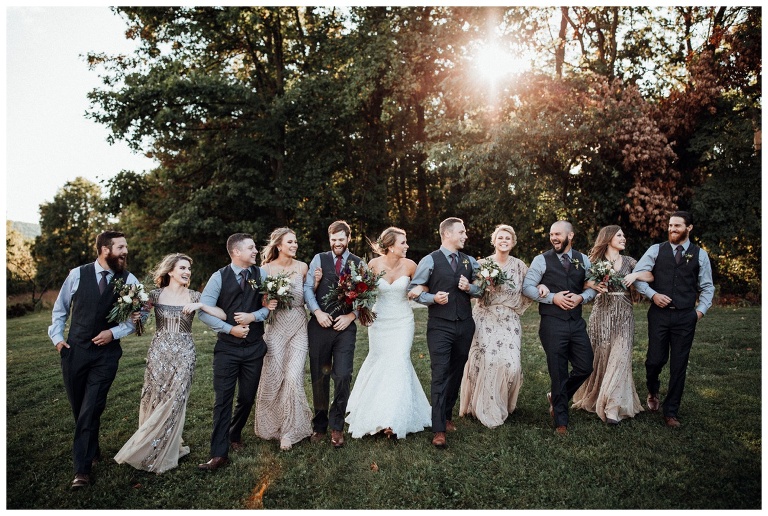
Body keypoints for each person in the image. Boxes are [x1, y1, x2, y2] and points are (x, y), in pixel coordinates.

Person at [114, 253, 227, 473]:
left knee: (176, 399)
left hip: (185, 353)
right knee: (156, 397)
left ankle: (166, 448)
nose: (187, 272)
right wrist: (136, 316)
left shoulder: (195, 296)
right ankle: (151, 446)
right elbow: (141, 322)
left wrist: (200, 306)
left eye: (188, 269)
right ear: (170, 271)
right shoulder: (154, 295)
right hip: (159, 352)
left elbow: (222, 314)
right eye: (182, 268)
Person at [48, 230, 140, 488]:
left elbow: (137, 318)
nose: (125, 252)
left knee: (91, 407)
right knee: (80, 408)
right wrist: (58, 339)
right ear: (104, 249)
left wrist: (114, 332)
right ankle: (92, 447)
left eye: (126, 247)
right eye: (121, 247)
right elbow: (60, 309)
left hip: (106, 355)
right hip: (74, 352)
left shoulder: (129, 279)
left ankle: (82, 470)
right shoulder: (77, 274)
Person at [197, 233, 278, 471]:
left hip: (254, 347)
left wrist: (254, 316)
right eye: (251, 248)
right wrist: (229, 329)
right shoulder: (218, 277)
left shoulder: (262, 275)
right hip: (227, 349)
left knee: (246, 398)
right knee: (223, 400)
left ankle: (234, 433)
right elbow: (203, 311)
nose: (256, 251)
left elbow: (269, 307)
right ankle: (218, 453)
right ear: (236, 253)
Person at [344, 227, 432, 439]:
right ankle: (376, 413)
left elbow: (426, 286)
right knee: (381, 360)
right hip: (380, 321)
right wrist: (362, 310)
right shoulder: (373, 265)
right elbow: (360, 291)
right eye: (403, 242)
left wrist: (419, 289)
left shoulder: (411, 265)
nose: (407, 246)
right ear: (391, 246)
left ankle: (394, 418)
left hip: (402, 321)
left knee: (399, 361)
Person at [632, 211, 715, 428]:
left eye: (677, 226)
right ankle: (653, 389)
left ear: (689, 228)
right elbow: (638, 275)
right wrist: (653, 295)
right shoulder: (655, 250)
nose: (672, 229)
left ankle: (671, 412)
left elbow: (707, 286)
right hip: (659, 315)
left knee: (679, 365)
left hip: (685, 316)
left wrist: (699, 311)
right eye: (670, 226)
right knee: (654, 360)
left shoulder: (700, 255)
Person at [409, 217, 481, 448]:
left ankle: (447, 414)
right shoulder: (430, 260)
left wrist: (470, 287)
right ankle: (438, 428)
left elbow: (482, 289)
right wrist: (432, 298)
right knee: (439, 373)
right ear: (447, 234)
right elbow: (413, 290)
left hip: (465, 324)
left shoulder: (470, 261)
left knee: (457, 370)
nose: (465, 236)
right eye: (461, 232)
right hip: (440, 325)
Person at [571, 226, 653, 425]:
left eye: (624, 235)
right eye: (619, 235)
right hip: (602, 313)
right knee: (602, 355)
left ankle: (613, 408)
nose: (623, 238)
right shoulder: (595, 262)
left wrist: (634, 276)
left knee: (621, 356)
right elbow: (580, 282)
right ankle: (599, 394)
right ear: (608, 239)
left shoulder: (630, 261)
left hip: (624, 313)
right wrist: (594, 285)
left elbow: (650, 275)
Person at [522, 220, 597, 435]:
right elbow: (527, 287)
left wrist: (581, 297)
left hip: (576, 322)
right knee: (558, 372)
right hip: (552, 324)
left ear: (570, 236)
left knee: (585, 366)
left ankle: (556, 396)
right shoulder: (541, 260)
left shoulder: (583, 260)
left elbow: (592, 287)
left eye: (558, 234)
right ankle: (561, 421)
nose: (554, 238)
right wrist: (553, 298)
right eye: (551, 234)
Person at [459, 224, 533, 428]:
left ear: (513, 242)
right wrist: (480, 288)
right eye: (500, 237)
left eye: (508, 238)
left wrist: (542, 290)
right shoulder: (481, 264)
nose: (504, 241)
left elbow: (528, 289)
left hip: (509, 319)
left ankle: (502, 402)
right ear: (493, 240)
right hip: (485, 316)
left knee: (512, 365)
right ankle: (483, 406)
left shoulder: (519, 266)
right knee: (488, 361)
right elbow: (473, 290)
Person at [253, 228, 313, 451]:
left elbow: (308, 296)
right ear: (279, 245)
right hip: (275, 326)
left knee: (294, 375)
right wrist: (267, 303)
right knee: (274, 375)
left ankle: (290, 430)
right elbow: (259, 301)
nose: (295, 245)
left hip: (298, 323)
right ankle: (272, 425)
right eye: (290, 242)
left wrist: (315, 283)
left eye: (296, 242)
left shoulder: (303, 267)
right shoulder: (265, 270)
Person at [303, 220, 361, 448]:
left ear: (348, 238)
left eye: (341, 239)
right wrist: (317, 312)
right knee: (319, 376)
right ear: (330, 240)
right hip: (320, 325)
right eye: (333, 240)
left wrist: (351, 316)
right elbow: (308, 288)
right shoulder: (319, 259)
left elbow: (369, 296)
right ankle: (319, 426)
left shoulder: (358, 263)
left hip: (345, 328)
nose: (337, 243)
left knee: (343, 375)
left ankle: (337, 426)